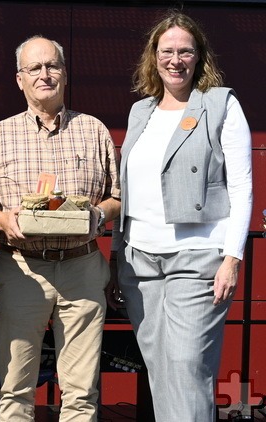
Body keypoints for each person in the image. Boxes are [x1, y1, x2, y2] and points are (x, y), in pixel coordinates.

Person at [112, 12, 253, 422]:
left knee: (188, 369)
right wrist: (118, 257)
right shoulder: (141, 112)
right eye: (167, 51)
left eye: (185, 51)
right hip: (140, 264)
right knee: (162, 372)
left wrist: (233, 258)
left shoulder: (221, 105)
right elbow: (128, 190)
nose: (176, 60)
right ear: (153, 57)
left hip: (198, 260)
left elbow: (242, 187)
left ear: (199, 57)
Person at [0, 35, 121, 421]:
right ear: (19, 79)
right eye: (35, 68)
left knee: (81, 393)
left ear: (64, 73)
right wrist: (2, 219)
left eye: (52, 65)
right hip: (22, 268)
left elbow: (118, 197)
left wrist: (98, 215)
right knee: (15, 389)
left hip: (82, 269)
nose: (45, 74)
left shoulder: (94, 130)